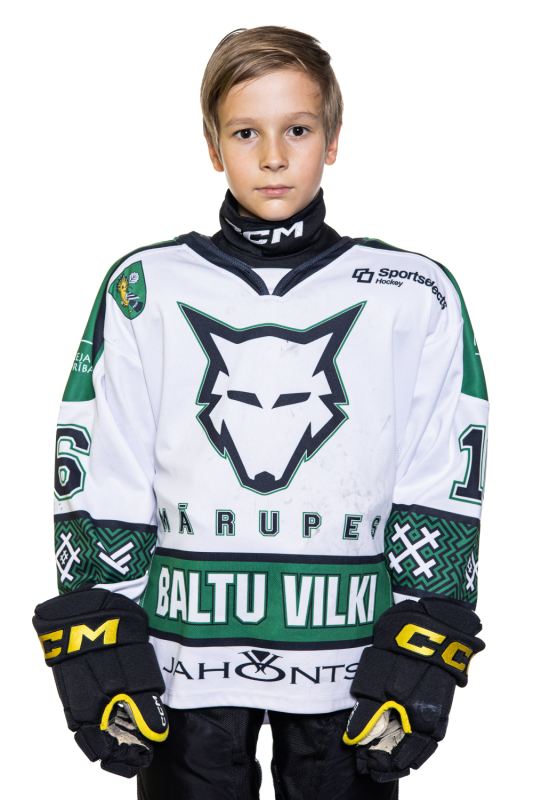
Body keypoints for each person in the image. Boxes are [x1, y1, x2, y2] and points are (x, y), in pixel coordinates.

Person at [33, 26, 488, 800]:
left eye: (297, 130)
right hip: (183, 660)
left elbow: (441, 470)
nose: (272, 156)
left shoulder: (413, 292)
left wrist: (426, 626)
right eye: (245, 132)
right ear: (213, 146)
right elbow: (106, 465)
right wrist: (103, 628)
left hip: (350, 661)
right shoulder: (146, 285)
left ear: (332, 139)